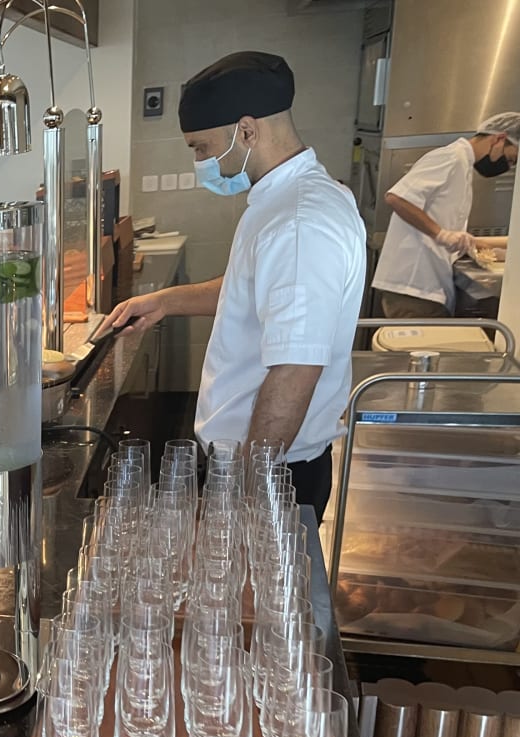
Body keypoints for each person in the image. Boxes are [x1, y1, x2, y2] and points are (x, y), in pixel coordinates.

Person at [98, 51, 365, 523]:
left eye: (201, 148)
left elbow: (295, 369)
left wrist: (239, 494)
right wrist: (165, 301)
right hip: (256, 465)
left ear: (246, 131)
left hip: (271, 474)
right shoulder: (286, 199)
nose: (201, 162)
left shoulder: (299, 221)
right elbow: (254, 288)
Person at [371, 114, 520, 318]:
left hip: (426, 286)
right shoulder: (450, 157)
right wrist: (440, 234)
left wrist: (470, 241)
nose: (508, 167)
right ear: (499, 139)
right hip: (413, 287)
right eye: (510, 159)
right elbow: (396, 198)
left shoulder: (463, 165)